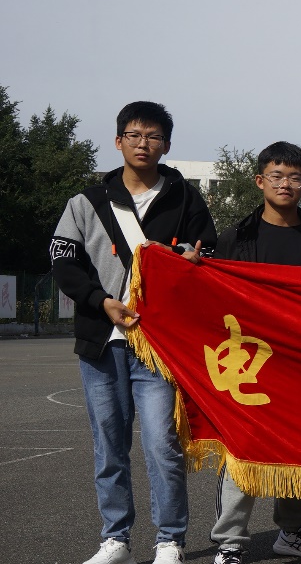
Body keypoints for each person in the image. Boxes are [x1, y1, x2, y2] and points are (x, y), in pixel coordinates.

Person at [50, 101, 216, 564]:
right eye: (135, 135)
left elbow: (208, 252)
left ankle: (170, 540)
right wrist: (100, 301)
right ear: (118, 140)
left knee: (162, 446)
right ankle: (116, 539)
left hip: (160, 345)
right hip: (102, 341)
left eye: (154, 136)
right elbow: (64, 261)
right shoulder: (86, 202)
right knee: (109, 446)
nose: (144, 144)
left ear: (167, 144)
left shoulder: (185, 198)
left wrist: (192, 259)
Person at [208, 142, 301, 564]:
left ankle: (292, 532)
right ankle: (229, 540)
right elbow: (214, 295)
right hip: (249, 360)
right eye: (277, 176)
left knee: (296, 448)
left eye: (295, 177)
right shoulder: (235, 237)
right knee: (241, 448)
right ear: (260, 180)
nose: (286, 184)